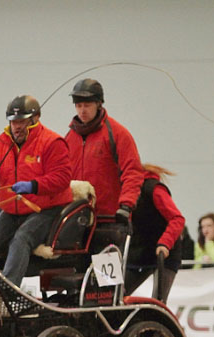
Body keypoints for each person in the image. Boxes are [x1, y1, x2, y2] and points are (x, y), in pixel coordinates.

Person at [0, 95, 72, 286]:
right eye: (13, 121)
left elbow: (62, 178)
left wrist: (34, 186)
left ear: (35, 119)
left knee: (21, 239)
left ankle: (9, 290)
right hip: (12, 209)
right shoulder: (1, 143)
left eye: (22, 121)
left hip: (46, 209)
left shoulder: (52, 142)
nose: (17, 126)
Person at [65, 78, 145, 236]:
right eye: (78, 105)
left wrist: (126, 205)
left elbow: (133, 172)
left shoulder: (118, 134)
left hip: (110, 220)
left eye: (87, 105)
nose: (82, 111)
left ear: (98, 104)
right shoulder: (69, 138)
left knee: (104, 259)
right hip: (76, 220)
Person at [124, 164, 185, 302]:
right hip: (139, 254)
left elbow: (177, 219)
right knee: (115, 297)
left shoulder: (153, 189)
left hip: (164, 254)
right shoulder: (124, 192)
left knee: (158, 301)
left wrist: (165, 243)